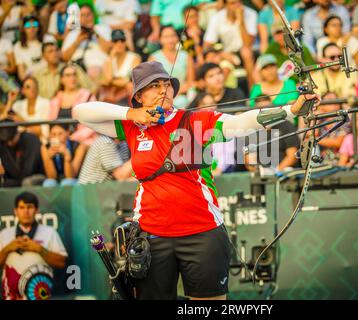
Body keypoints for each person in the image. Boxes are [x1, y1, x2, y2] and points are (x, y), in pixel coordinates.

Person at [72, 60, 320, 300]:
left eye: (165, 84)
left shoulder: (196, 121)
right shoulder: (131, 127)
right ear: (139, 96)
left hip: (202, 233)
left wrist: (291, 110)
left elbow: (239, 123)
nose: (162, 90)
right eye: (153, 85)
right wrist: (132, 114)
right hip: (152, 234)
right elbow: (80, 112)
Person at [0, 192, 67, 300]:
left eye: (29, 207)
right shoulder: (4, 234)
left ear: (36, 210)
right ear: (15, 211)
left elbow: (62, 262)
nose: (26, 211)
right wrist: (8, 248)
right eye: (21, 207)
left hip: (40, 295)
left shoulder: (49, 232)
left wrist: (39, 249)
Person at [204, 0, 258, 89]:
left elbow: (248, 44)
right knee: (217, 63)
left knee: (246, 52)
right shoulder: (217, 17)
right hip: (227, 53)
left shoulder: (251, 13)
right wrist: (221, 54)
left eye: (239, 2)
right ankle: (215, 94)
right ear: (225, 5)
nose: (237, 6)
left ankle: (252, 94)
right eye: (233, 3)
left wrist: (241, 21)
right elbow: (207, 45)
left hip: (250, 52)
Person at [49, 63, 97, 145]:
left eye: (74, 75)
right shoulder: (55, 99)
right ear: (61, 79)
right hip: (59, 142)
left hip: (83, 141)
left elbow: (94, 123)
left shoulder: (87, 96)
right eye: (68, 75)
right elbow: (50, 123)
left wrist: (72, 138)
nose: (72, 78)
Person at [61, 3, 111, 81]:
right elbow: (64, 57)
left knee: (93, 71)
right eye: (82, 15)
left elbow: (109, 50)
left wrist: (95, 33)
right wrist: (77, 41)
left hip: (98, 67)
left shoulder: (103, 29)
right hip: (77, 69)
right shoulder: (73, 34)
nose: (85, 18)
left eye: (88, 15)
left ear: (93, 16)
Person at [148, 25, 194, 109]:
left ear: (177, 37)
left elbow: (191, 82)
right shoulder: (153, 58)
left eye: (173, 36)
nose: (170, 40)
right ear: (160, 39)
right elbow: (152, 84)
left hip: (182, 97)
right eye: (166, 37)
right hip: (160, 98)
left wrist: (175, 93)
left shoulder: (186, 56)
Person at [0, 119, 45, 187]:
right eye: (5, 141)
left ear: (17, 133)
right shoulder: (3, 144)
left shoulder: (30, 140)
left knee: (26, 182)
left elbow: (29, 171)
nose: (9, 143)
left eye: (11, 139)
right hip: (13, 179)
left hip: (35, 176)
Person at [101, 29, 141, 104]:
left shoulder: (134, 57)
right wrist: (111, 57)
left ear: (125, 42)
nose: (119, 43)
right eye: (115, 41)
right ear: (111, 43)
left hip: (126, 96)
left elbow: (134, 82)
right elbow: (107, 80)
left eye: (122, 40)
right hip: (111, 95)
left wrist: (113, 81)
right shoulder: (109, 59)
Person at [6, 76, 50, 140]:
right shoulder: (18, 105)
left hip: (39, 141)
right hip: (20, 141)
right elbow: (6, 117)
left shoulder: (46, 103)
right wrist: (10, 101)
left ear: (37, 89)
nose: (32, 89)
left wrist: (23, 122)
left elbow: (44, 132)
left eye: (34, 86)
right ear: (23, 90)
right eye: (28, 87)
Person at [315, 91, 350, 165]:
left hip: (339, 160)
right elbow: (312, 135)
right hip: (321, 160)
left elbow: (338, 142)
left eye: (335, 99)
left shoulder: (343, 120)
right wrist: (316, 119)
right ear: (321, 105)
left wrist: (315, 140)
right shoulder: (320, 121)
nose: (333, 102)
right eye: (329, 99)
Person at [13, 15, 44, 81]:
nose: (32, 28)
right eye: (28, 25)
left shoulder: (47, 39)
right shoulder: (18, 46)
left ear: (39, 27)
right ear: (23, 29)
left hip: (47, 74)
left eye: (35, 24)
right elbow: (21, 71)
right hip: (31, 78)